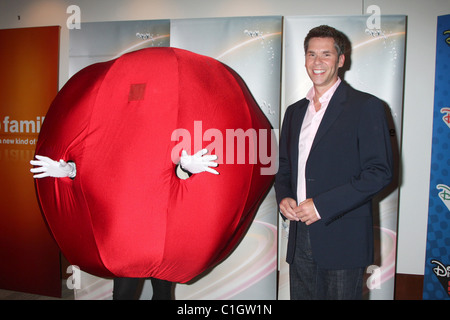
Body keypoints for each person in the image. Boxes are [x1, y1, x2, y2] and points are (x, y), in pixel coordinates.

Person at [275, 25, 393, 300]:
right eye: (311, 54)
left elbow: (379, 172)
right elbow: (284, 167)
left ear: (341, 60)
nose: (317, 62)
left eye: (326, 54)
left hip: (344, 237)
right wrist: (284, 198)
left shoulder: (366, 107)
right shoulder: (294, 112)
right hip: (299, 235)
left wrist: (322, 206)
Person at [30, 149, 218, 300]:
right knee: (123, 294)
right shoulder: (119, 135)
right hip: (129, 234)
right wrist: (70, 170)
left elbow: (177, 170)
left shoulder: (163, 133)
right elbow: (97, 162)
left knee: (162, 293)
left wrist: (187, 168)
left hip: (160, 232)